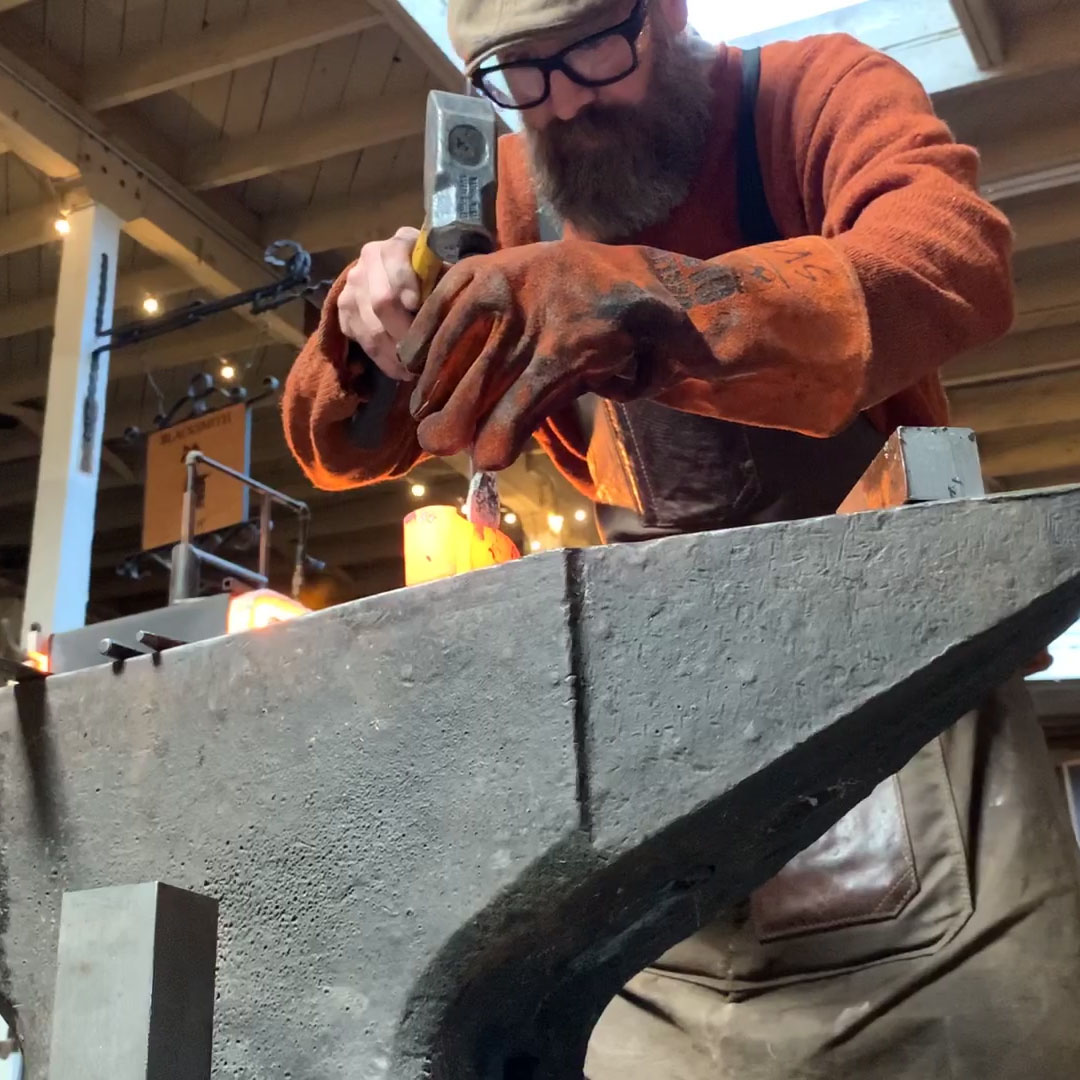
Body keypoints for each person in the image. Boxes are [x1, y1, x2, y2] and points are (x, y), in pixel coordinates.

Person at [283, 1, 1080, 1076]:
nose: (564, 100)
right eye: (520, 73)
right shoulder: (517, 191)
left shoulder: (811, 93)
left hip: (909, 693)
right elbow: (336, 446)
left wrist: (651, 305)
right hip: (667, 723)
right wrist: (366, 321)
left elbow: (954, 263)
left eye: (595, 50)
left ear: (668, 11)